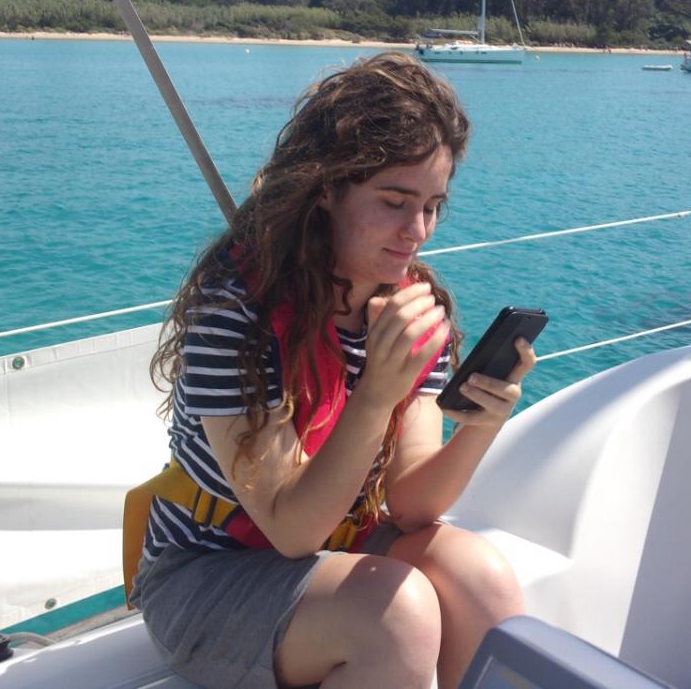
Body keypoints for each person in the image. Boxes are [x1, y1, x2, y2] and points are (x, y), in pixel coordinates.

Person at [131, 51, 532, 689]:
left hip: (336, 546)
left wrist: (483, 423)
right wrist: (375, 395)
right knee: (395, 617)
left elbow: (410, 503)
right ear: (326, 189)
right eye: (394, 202)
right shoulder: (234, 312)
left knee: (479, 578)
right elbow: (292, 529)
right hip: (206, 571)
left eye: (433, 206)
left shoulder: (407, 307)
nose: (418, 231)